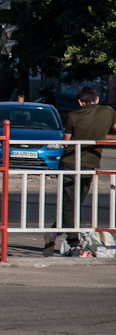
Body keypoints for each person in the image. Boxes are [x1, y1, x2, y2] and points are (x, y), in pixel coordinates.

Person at [45, 87, 116, 256]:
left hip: (70, 162)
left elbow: (66, 143)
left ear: (79, 102)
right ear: (97, 99)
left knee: (70, 204)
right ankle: (73, 241)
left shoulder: (73, 116)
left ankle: (54, 232)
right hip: (90, 164)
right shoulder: (108, 111)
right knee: (75, 203)